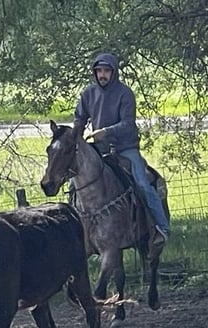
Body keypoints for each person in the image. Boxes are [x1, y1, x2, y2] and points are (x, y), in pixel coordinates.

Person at [73, 52, 169, 247]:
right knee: (74, 183)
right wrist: (75, 138)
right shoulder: (88, 94)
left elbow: (128, 123)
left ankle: (161, 227)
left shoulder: (125, 93)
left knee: (142, 184)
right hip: (98, 149)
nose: (102, 74)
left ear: (114, 72)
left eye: (106, 71)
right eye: (99, 70)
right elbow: (80, 119)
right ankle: (77, 232)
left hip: (125, 148)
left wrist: (105, 132)